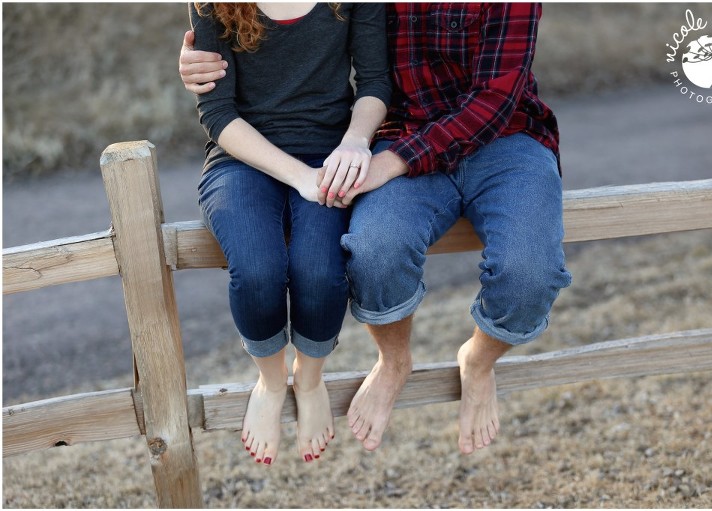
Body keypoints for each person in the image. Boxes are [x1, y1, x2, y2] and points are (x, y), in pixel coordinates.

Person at [180, 3, 571, 455]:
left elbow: (495, 100)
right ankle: (391, 362)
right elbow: (250, 67)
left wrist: (380, 157)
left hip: (501, 137)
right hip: (401, 132)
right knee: (371, 249)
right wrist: (195, 56)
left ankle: (478, 363)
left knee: (530, 273)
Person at [186, 2, 390, 465]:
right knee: (258, 270)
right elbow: (216, 112)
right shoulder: (212, 3)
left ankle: (311, 378)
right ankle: (272, 381)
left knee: (319, 272)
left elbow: (375, 82)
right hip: (241, 158)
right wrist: (299, 176)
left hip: (331, 151)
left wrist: (355, 141)